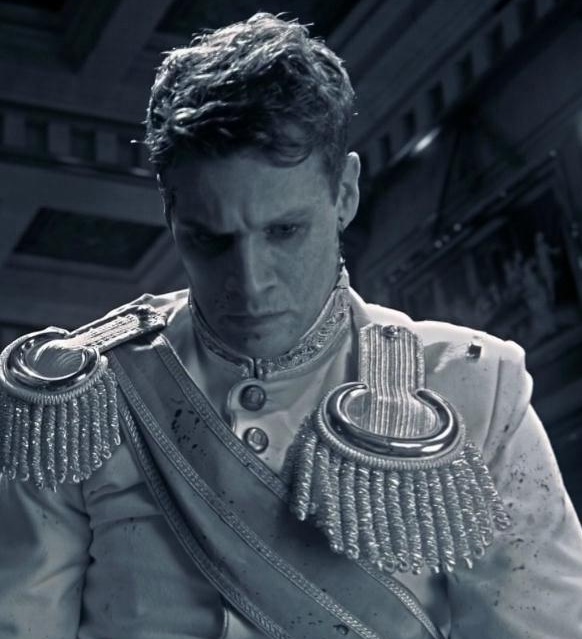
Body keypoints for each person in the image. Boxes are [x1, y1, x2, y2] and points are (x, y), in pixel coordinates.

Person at [0, 12, 581, 639]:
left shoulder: (475, 388)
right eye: (210, 240)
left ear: (346, 193)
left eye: (284, 231)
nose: (250, 283)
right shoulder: (72, 401)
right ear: (169, 213)